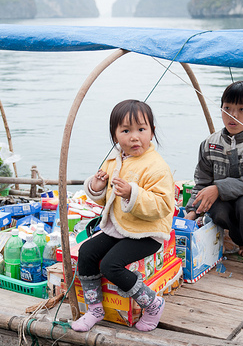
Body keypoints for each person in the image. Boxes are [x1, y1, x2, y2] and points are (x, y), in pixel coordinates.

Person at [71, 99, 174, 333]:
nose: (134, 137)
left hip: (147, 233)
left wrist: (132, 194)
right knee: (86, 252)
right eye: (125, 131)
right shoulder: (114, 161)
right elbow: (107, 200)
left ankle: (153, 304)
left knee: (110, 265)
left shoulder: (157, 167)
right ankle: (95, 308)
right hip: (119, 228)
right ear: (115, 135)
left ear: (152, 132)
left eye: (141, 129)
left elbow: (163, 205)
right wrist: (97, 186)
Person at [185, 81, 243, 284]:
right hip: (226, 202)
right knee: (217, 210)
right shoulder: (210, 144)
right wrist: (192, 211)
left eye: (241, 109)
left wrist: (219, 188)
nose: (232, 115)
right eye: (227, 108)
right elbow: (202, 182)